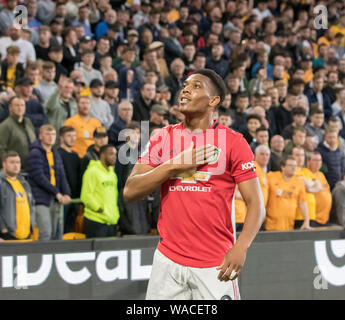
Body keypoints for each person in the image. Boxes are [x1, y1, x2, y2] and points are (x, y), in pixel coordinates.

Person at [124, 69, 265, 300]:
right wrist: (174, 164)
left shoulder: (234, 142)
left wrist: (241, 247)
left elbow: (256, 204)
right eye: (185, 85)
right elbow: (130, 191)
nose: (186, 90)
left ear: (214, 100)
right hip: (167, 260)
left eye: (196, 86)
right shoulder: (162, 137)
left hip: (215, 263)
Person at [26, 124, 71, 241]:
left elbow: (61, 174)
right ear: (40, 136)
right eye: (47, 134)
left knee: (57, 233)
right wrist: (57, 193)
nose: (51, 137)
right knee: (46, 232)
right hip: (41, 198)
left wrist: (67, 193)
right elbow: (38, 177)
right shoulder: (35, 153)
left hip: (56, 198)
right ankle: (40, 257)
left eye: (53, 134)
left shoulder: (55, 153)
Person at [80, 144, 120, 238]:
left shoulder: (112, 174)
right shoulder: (92, 171)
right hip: (96, 220)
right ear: (102, 155)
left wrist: (115, 214)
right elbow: (86, 195)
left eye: (115, 154)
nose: (114, 157)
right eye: (111, 154)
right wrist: (99, 209)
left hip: (111, 220)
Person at [265, 156, 310, 231]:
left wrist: (306, 221)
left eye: (295, 166)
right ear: (283, 167)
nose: (293, 168)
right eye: (290, 165)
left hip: (289, 226)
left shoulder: (299, 182)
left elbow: (302, 202)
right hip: (270, 226)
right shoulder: (271, 176)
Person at [0, 151, 36, 240]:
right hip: (8, 235)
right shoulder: (1, 184)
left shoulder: (25, 183)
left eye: (18, 162)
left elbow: (32, 205)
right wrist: (2, 228)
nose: (16, 165)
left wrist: (32, 223)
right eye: (12, 162)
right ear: (4, 164)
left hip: (26, 234)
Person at [0, 97, 36, 171]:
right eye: (17, 105)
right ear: (10, 107)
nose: (20, 108)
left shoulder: (28, 122)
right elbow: (1, 149)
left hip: (32, 166)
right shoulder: (5, 126)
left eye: (22, 105)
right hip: (15, 170)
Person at [58, 126, 81, 234]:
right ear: (61, 138)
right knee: (61, 229)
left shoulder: (75, 155)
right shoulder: (57, 154)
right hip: (63, 198)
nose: (72, 139)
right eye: (69, 136)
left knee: (71, 229)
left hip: (75, 199)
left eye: (74, 136)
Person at [307, 152, 332, 227]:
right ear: (308, 162)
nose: (318, 162)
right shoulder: (306, 174)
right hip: (314, 219)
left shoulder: (321, 174)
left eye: (319, 160)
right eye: (315, 160)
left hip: (325, 218)